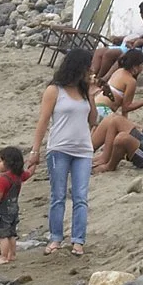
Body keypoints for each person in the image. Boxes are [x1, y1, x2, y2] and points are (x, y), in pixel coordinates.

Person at [31, 49, 96, 256]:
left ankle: (78, 240)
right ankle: (55, 238)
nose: (91, 70)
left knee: (80, 196)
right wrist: (35, 150)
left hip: (83, 149)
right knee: (58, 195)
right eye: (88, 66)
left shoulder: (85, 90)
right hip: (59, 148)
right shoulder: (54, 90)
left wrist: (92, 95)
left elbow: (92, 120)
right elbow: (43, 121)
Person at [92, 1, 143, 81]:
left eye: (141, 14)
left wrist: (140, 42)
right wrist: (133, 41)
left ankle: (104, 79)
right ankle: (102, 78)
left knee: (125, 57)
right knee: (125, 55)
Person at [0, 145, 34, 264]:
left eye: (0, 161)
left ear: (8, 163)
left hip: (2, 211)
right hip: (13, 209)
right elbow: (29, 173)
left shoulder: (3, 179)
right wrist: (33, 164)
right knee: (11, 233)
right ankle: (12, 254)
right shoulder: (18, 176)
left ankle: (4, 256)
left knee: (2, 235)